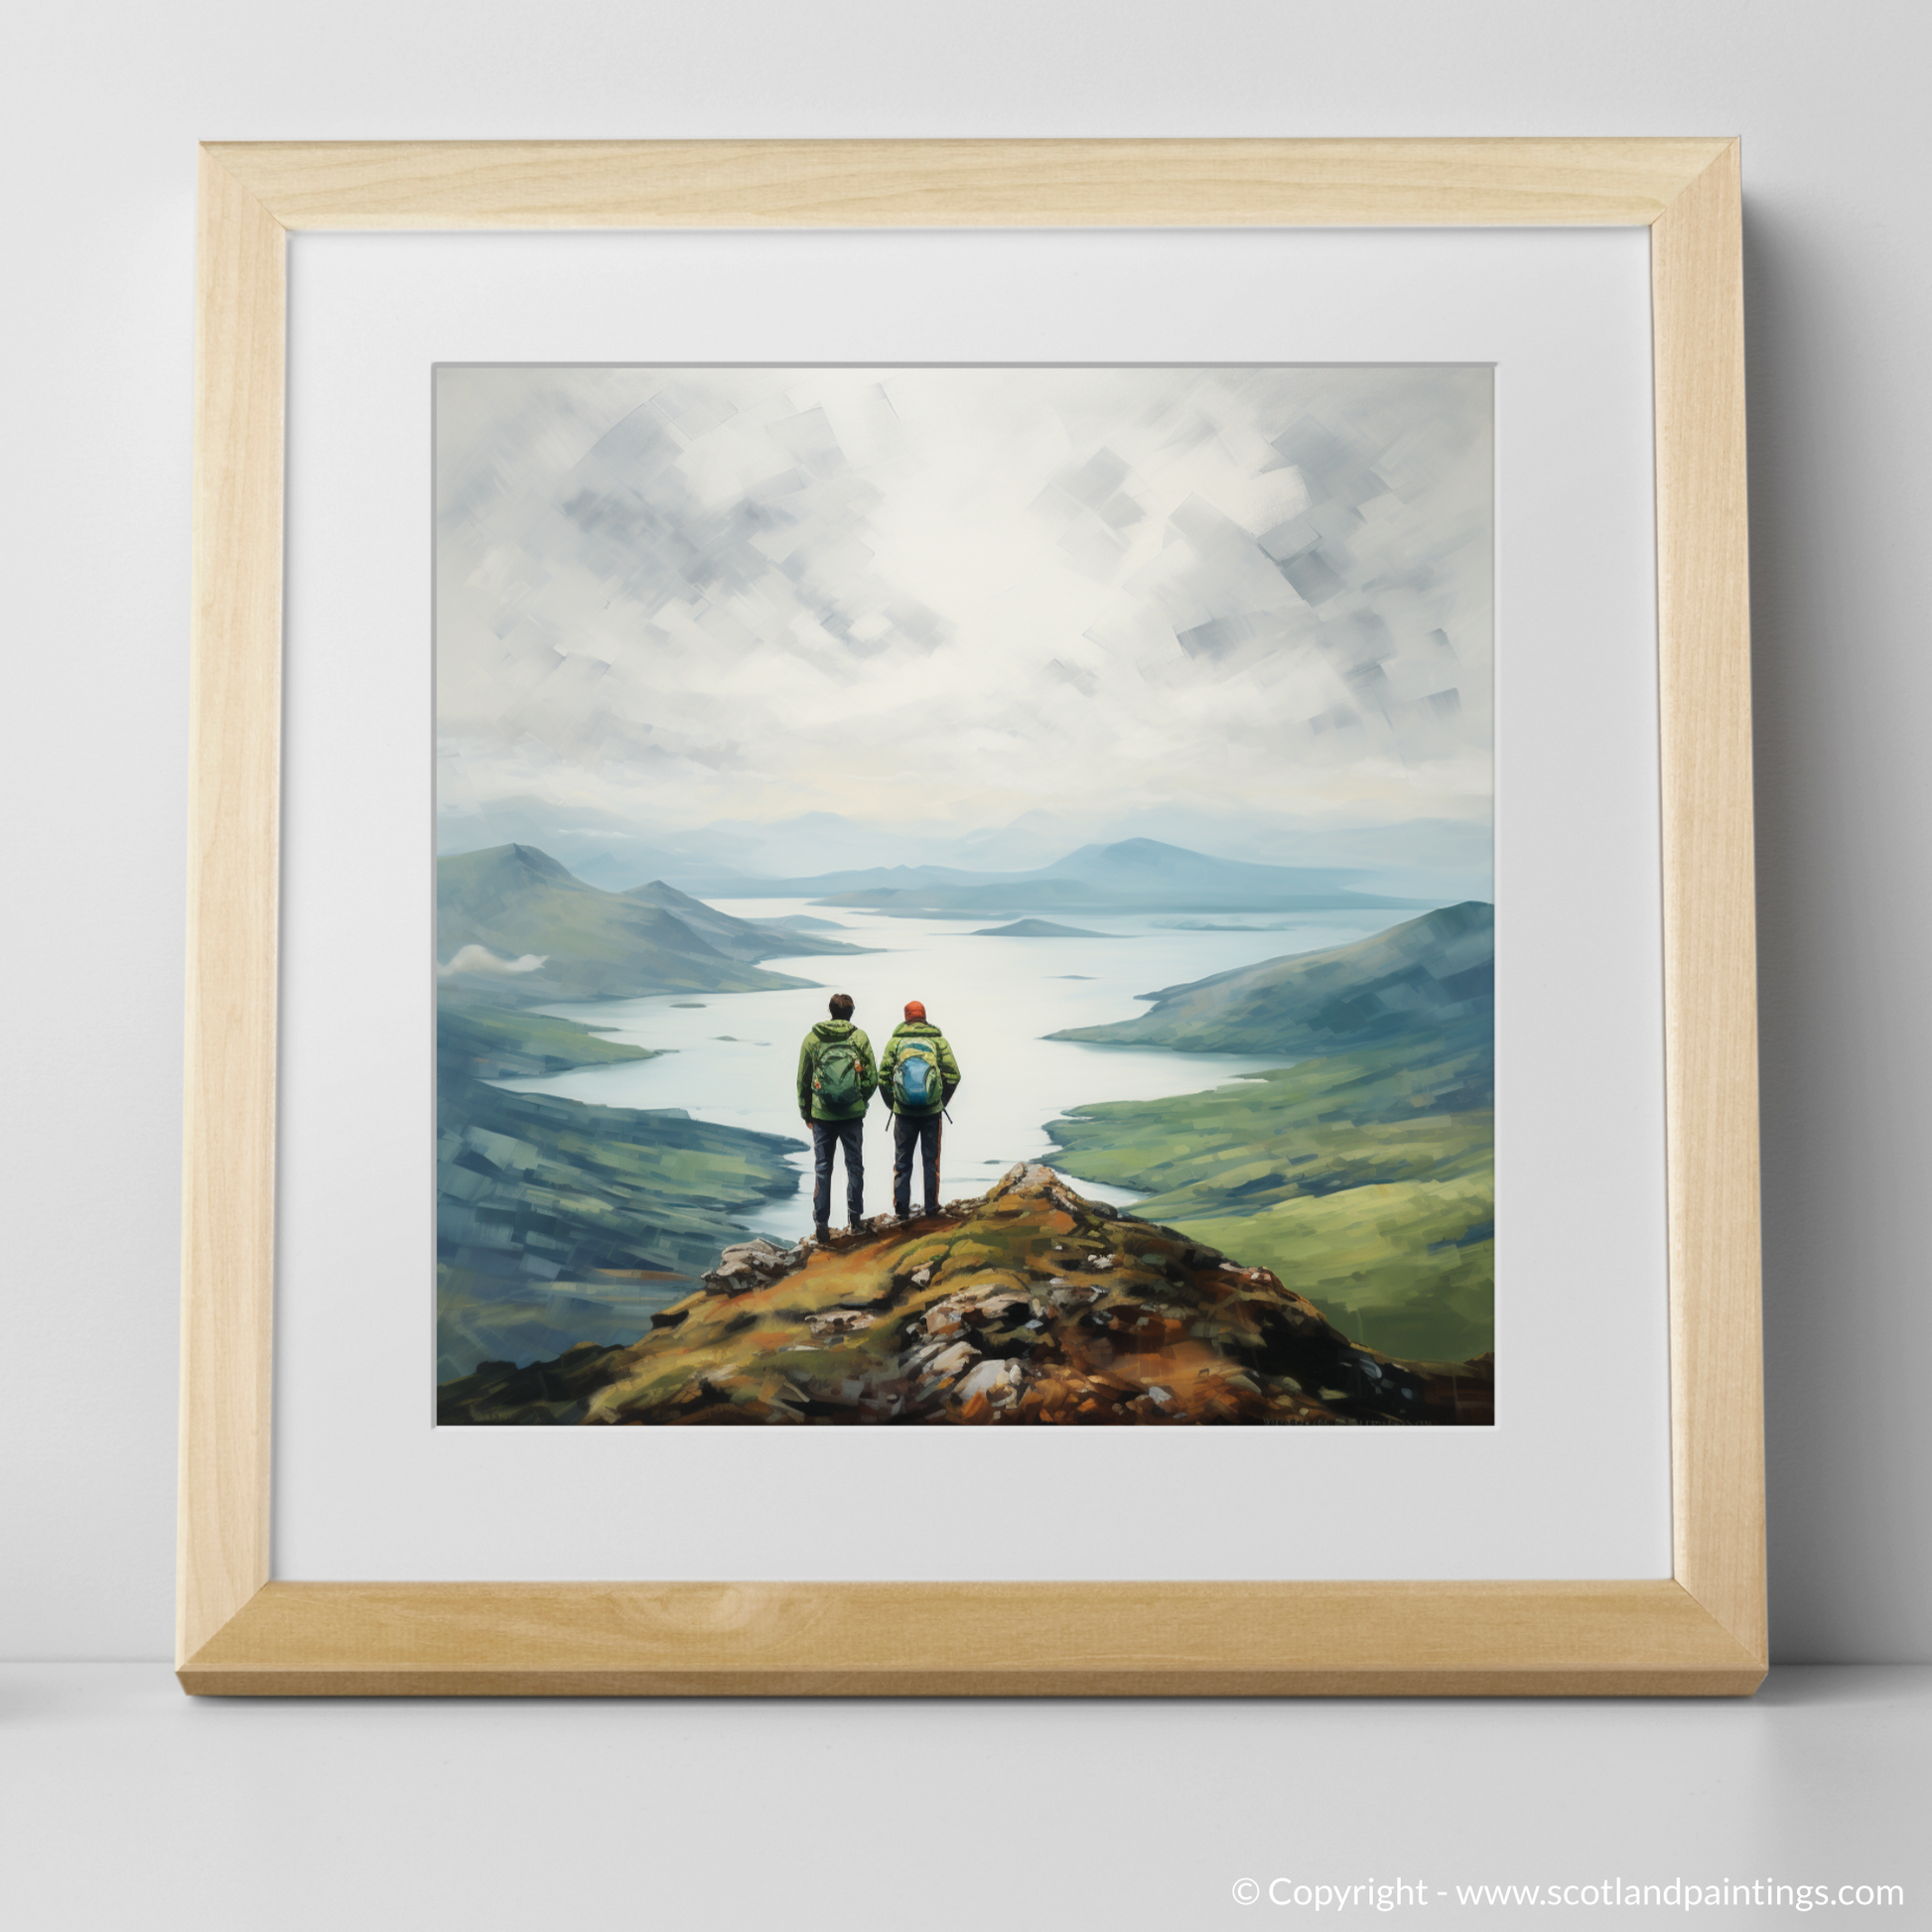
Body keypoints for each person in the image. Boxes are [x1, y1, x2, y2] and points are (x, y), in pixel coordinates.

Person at [795, 993, 877, 1241]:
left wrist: (806, 1112)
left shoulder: (813, 1039)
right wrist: (859, 1100)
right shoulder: (859, 1037)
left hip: (822, 1115)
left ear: (830, 1011)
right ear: (851, 1013)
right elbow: (871, 1078)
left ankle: (821, 1225)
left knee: (822, 1168)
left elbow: (803, 1080)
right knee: (854, 1167)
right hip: (852, 1115)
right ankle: (855, 1220)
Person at [877, 1000, 962, 1221]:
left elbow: (883, 1077)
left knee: (902, 1162)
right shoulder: (937, 1041)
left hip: (903, 1112)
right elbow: (953, 1074)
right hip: (931, 1112)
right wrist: (940, 1099)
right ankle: (931, 1208)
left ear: (906, 1017)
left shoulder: (895, 1042)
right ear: (924, 1016)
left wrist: (894, 1103)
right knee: (930, 1160)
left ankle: (902, 1210)